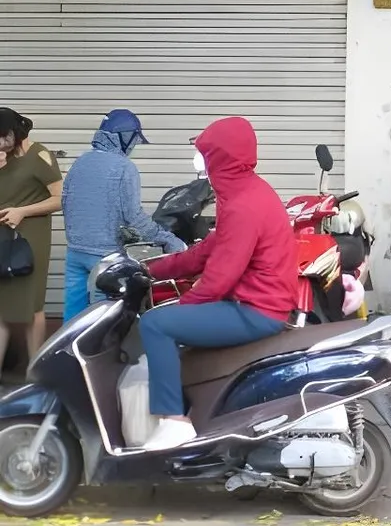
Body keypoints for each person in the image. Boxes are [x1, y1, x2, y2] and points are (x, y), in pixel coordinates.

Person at [139, 117, 295, 451]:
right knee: (169, 321)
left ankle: (173, 422)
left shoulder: (243, 205)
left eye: (205, 154)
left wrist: (181, 308)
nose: (201, 162)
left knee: (156, 325)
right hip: (255, 304)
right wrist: (152, 269)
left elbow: (219, 278)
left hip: (256, 310)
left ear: (220, 158)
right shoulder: (244, 191)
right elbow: (207, 251)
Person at [61, 109, 187, 320]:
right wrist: (169, 240)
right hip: (104, 257)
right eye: (133, 139)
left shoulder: (80, 162)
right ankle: (101, 354)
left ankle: (68, 352)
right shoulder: (123, 167)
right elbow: (134, 216)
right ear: (124, 136)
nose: (133, 146)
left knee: (73, 318)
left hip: (75, 252)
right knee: (103, 319)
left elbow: (66, 204)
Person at [0, 108, 63, 368]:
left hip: (29, 238)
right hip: (2, 237)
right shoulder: (5, 157)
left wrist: (22, 211)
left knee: (33, 305)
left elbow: (59, 199)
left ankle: (35, 371)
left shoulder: (40, 155)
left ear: (14, 133)